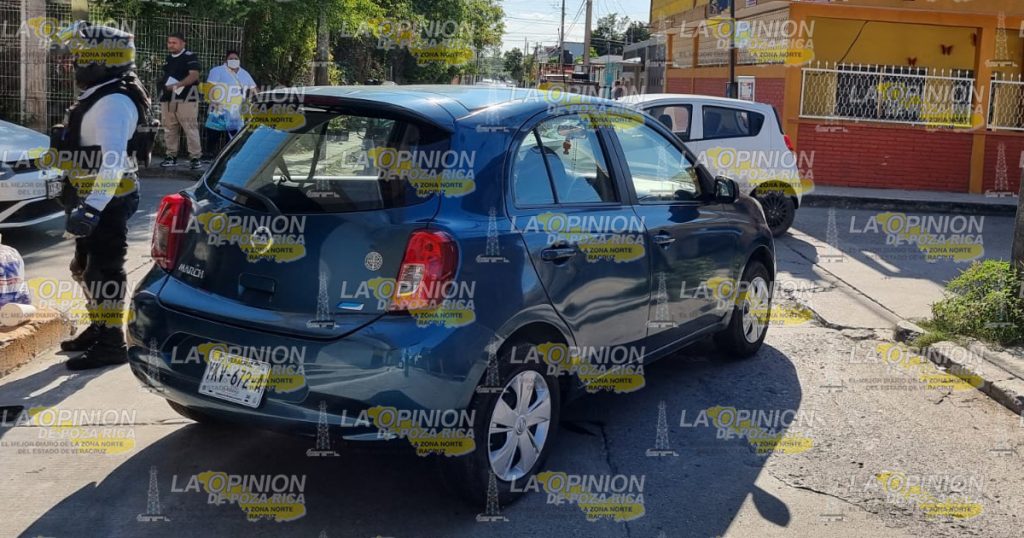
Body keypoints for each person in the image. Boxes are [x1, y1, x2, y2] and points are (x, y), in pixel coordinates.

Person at [48, 21, 156, 370]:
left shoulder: (113, 101)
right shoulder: (101, 92)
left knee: (105, 272)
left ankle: (111, 343)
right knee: (84, 267)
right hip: (93, 194)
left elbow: (111, 162)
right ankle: (99, 327)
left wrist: (92, 209)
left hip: (109, 196)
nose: (75, 63)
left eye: (82, 56)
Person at [159, 31, 202, 170]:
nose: (171, 45)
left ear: (183, 43)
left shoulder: (190, 57)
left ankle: (195, 158)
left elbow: (194, 75)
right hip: (168, 98)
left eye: (174, 42)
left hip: (187, 98)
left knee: (190, 128)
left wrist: (177, 85)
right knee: (169, 128)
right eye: (169, 42)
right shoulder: (168, 58)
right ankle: (171, 156)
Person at [203, 50, 255, 159]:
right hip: (219, 108)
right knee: (213, 132)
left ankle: (228, 158)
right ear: (226, 60)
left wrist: (258, 99)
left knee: (232, 136)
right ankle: (208, 155)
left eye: (236, 58)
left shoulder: (245, 74)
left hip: (236, 110)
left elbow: (254, 88)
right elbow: (209, 87)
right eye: (231, 58)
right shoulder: (217, 71)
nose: (234, 61)